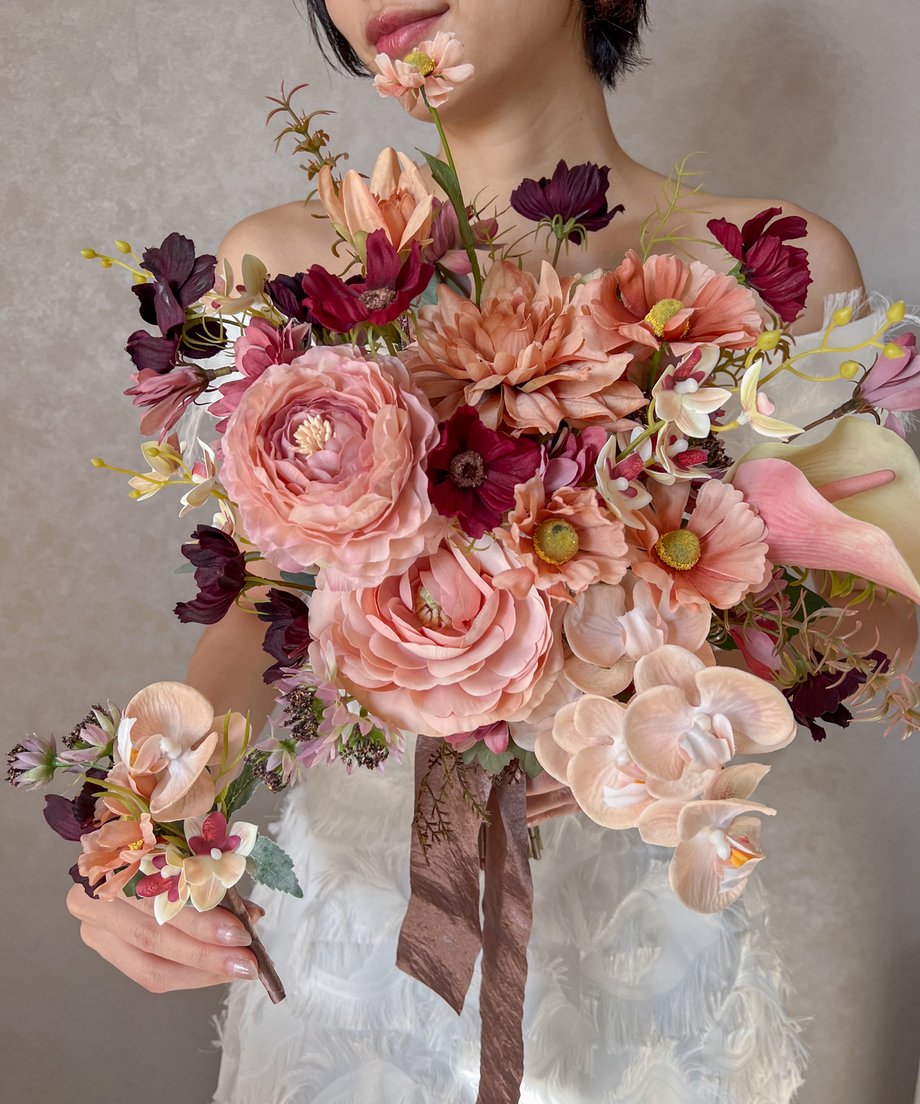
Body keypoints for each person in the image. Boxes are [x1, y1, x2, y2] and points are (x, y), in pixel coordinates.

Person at [66, 1, 871, 1099]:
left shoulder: (768, 264)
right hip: (354, 938)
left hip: (643, 930)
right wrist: (149, 822)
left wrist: (652, 669)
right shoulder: (282, 266)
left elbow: (864, 611)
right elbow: (265, 604)